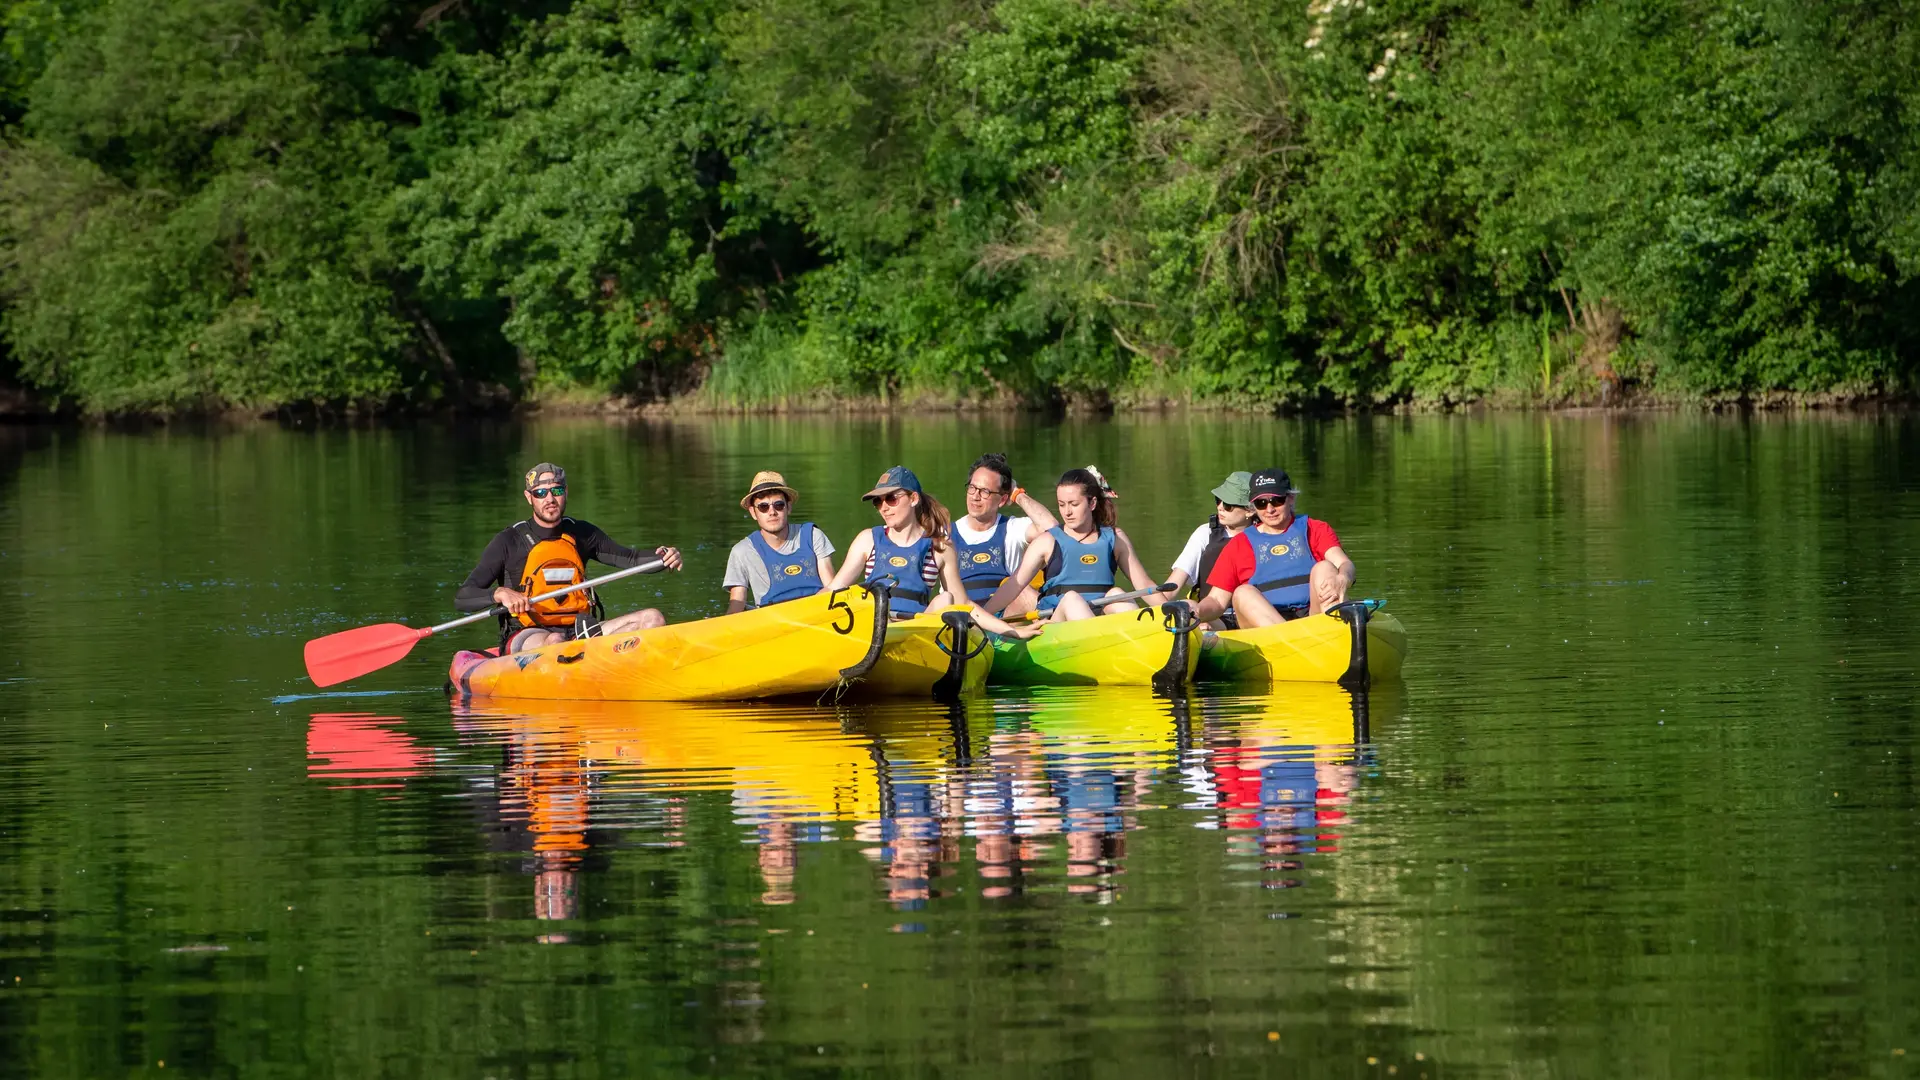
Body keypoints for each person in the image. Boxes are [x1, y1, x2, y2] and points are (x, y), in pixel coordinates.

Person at [455, 462, 684, 652]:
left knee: (653, 618)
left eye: (556, 491)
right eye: (540, 493)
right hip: (527, 635)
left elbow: (631, 560)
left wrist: (663, 557)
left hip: (581, 631)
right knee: (555, 642)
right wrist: (500, 593)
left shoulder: (583, 533)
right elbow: (463, 597)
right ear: (529, 497)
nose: (549, 499)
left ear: (565, 492)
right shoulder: (509, 541)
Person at [825, 465, 1043, 638]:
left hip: (917, 633)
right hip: (873, 629)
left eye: (891, 498)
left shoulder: (940, 546)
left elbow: (964, 604)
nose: (884, 507)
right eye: (877, 501)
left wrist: (1011, 631)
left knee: (946, 598)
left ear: (913, 499)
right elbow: (832, 591)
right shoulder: (867, 539)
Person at [981, 467, 1158, 622]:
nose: (1067, 512)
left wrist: (1172, 610)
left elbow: (1143, 583)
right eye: (1061, 504)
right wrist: (980, 617)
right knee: (1072, 599)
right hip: (1057, 623)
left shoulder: (1115, 538)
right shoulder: (1047, 542)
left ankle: (1149, 637)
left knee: (1117, 594)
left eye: (1074, 504)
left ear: (1092, 503)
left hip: (1099, 618)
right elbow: (1014, 586)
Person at [1191, 467, 1354, 627]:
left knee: (1325, 567)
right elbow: (1217, 600)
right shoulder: (1239, 544)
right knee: (1242, 593)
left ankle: (1332, 632)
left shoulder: (1315, 528)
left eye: (1277, 500)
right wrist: (1196, 611)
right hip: (1267, 630)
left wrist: (1343, 579)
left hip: (1314, 617)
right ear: (1253, 507)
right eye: (1261, 503)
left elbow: (1344, 564)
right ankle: (1295, 641)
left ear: (1291, 498)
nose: (1270, 509)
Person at [951, 452, 1059, 614]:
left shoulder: (1013, 528)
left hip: (1005, 618)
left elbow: (1052, 530)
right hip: (960, 619)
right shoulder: (945, 532)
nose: (975, 497)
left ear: (1002, 500)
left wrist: (1017, 494)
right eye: (972, 488)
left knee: (1023, 594)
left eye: (985, 491)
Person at [722, 470, 836, 614]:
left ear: (788, 507)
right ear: (753, 512)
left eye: (778, 505)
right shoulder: (741, 551)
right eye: (763, 507)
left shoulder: (813, 536)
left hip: (818, 613)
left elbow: (832, 587)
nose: (772, 512)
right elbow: (736, 605)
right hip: (773, 623)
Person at [1160, 471, 1255, 626]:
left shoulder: (1264, 536)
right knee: (1186, 606)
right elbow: (1171, 588)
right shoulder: (1205, 533)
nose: (1220, 508)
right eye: (1218, 500)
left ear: (1250, 510)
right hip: (1212, 617)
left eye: (1228, 505)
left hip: (1253, 616)